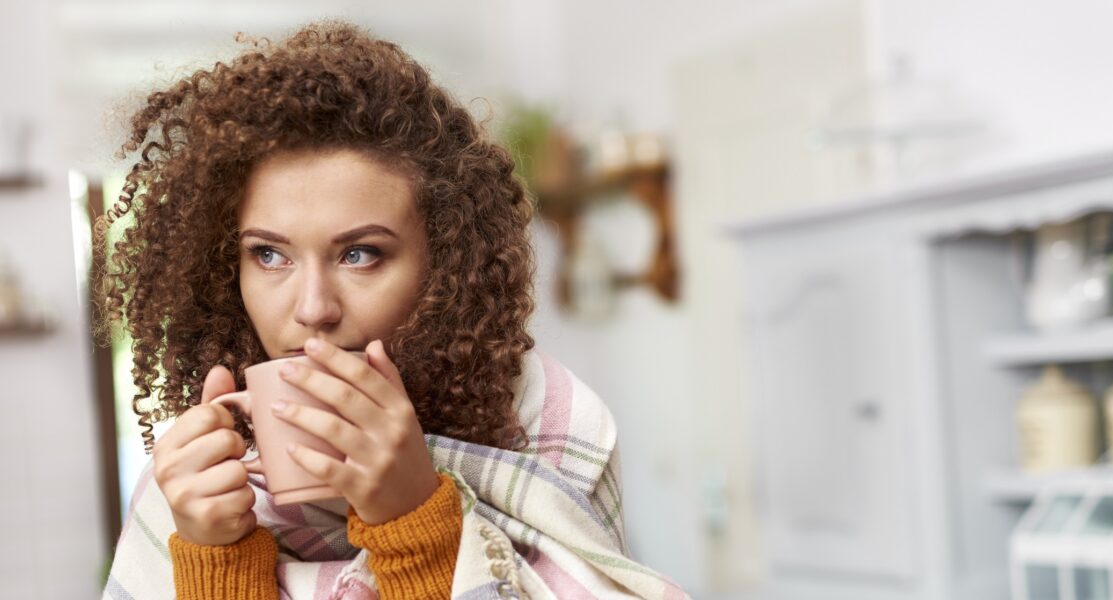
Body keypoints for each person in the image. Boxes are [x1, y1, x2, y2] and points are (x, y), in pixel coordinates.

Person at [96, 20, 686, 600]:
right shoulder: (191, 476)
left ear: (444, 264)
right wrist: (214, 557)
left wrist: (414, 521)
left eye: (359, 253)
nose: (313, 309)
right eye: (269, 254)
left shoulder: (554, 427)